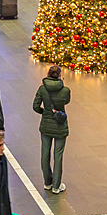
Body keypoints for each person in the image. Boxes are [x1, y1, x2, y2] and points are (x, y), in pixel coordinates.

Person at [33, 65, 70, 194]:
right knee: (58, 156)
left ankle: (47, 182)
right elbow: (66, 102)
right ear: (60, 75)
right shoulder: (65, 90)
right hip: (60, 126)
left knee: (45, 154)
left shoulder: (42, 89)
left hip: (46, 126)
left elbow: (35, 106)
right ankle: (56, 186)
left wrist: (45, 112)